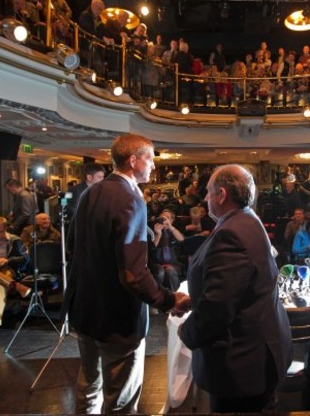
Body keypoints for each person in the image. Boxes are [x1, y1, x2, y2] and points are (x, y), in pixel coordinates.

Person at [63, 133, 190, 413]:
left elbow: (73, 247)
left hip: (85, 311)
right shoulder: (130, 199)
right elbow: (133, 274)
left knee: (89, 389)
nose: (154, 167)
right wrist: (169, 300)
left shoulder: (90, 193)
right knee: (120, 401)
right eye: (151, 159)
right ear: (134, 160)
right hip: (115, 319)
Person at [179, 164, 292, 412]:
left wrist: (186, 333)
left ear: (221, 194)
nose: (206, 198)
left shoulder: (231, 233)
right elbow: (236, 289)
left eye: (208, 192)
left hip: (242, 362)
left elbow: (217, 309)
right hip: (253, 354)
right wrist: (195, 300)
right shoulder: (246, 219)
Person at [0, 216, 31, 349]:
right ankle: (16, 286)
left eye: (0, 232)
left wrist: (8, 260)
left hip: (7, 270)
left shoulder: (14, 240)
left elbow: (26, 259)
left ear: (5, 229)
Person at [149, 209, 185, 291]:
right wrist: (158, 234)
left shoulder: (174, 231)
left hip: (174, 263)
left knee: (170, 271)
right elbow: (151, 249)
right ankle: (156, 297)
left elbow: (182, 241)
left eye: (167, 218)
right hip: (157, 263)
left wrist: (170, 227)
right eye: (162, 218)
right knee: (160, 272)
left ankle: (175, 297)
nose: (164, 220)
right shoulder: (154, 232)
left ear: (172, 220)